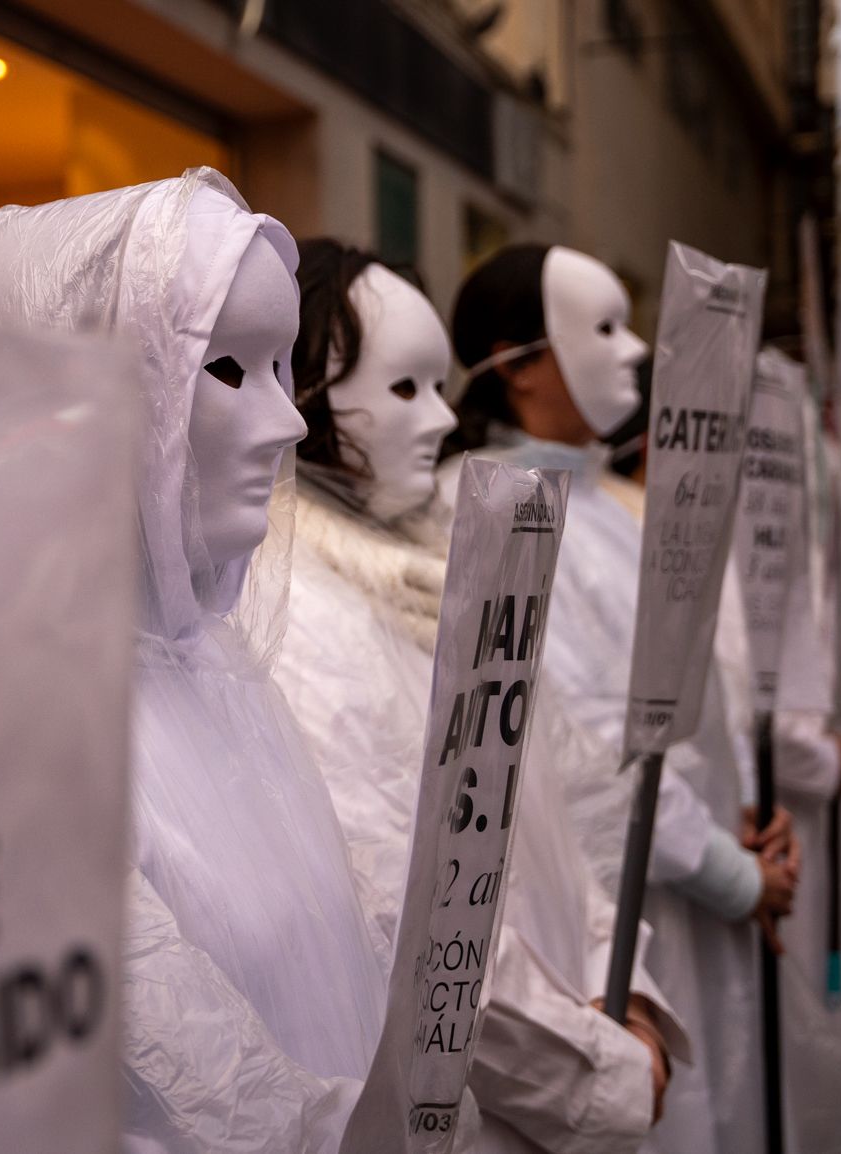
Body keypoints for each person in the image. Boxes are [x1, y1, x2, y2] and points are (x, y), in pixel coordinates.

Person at [0, 169, 393, 1153]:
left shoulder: (223, 679)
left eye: (282, 365)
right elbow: (187, 1092)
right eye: (226, 368)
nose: (289, 422)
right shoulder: (0, 729)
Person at [445, 243, 841, 1154]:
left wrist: (741, 815)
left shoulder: (608, 505)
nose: (633, 350)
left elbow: (687, 701)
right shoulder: (506, 515)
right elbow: (587, 751)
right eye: (603, 328)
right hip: (630, 920)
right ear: (517, 363)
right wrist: (729, 869)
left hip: (695, 880)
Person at [273, 239, 685, 1154]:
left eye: (438, 385)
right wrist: (595, 1065)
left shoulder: (440, 561)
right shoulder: (301, 627)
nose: (439, 415)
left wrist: (619, 985)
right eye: (402, 388)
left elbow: (561, 807)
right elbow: (413, 921)